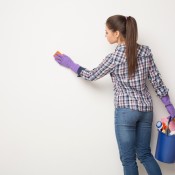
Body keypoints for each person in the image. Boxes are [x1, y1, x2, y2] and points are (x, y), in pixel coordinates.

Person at [53, 15, 175, 175]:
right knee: (145, 154)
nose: (105, 35)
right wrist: (169, 106)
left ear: (117, 33)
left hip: (126, 112)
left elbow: (91, 75)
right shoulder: (145, 52)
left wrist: (71, 64)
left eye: (107, 32)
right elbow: (156, 81)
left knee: (128, 159)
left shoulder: (115, 57)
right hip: (146, 110)